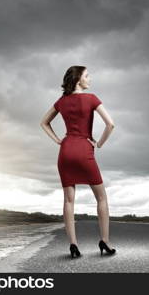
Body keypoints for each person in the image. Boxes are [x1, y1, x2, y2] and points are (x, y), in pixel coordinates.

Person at [40, 65, 116, 258]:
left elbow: (43, 122)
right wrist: (98, 144)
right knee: (101, 198)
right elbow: (110, 124)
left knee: (68, 200)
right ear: (78, 80)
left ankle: (73, 244)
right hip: (84, 149)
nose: (90, 79)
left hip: (65, 151)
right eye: (87, 76)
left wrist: (58, 140)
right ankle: (105, 241)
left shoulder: (62, 101)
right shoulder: (91, 99)